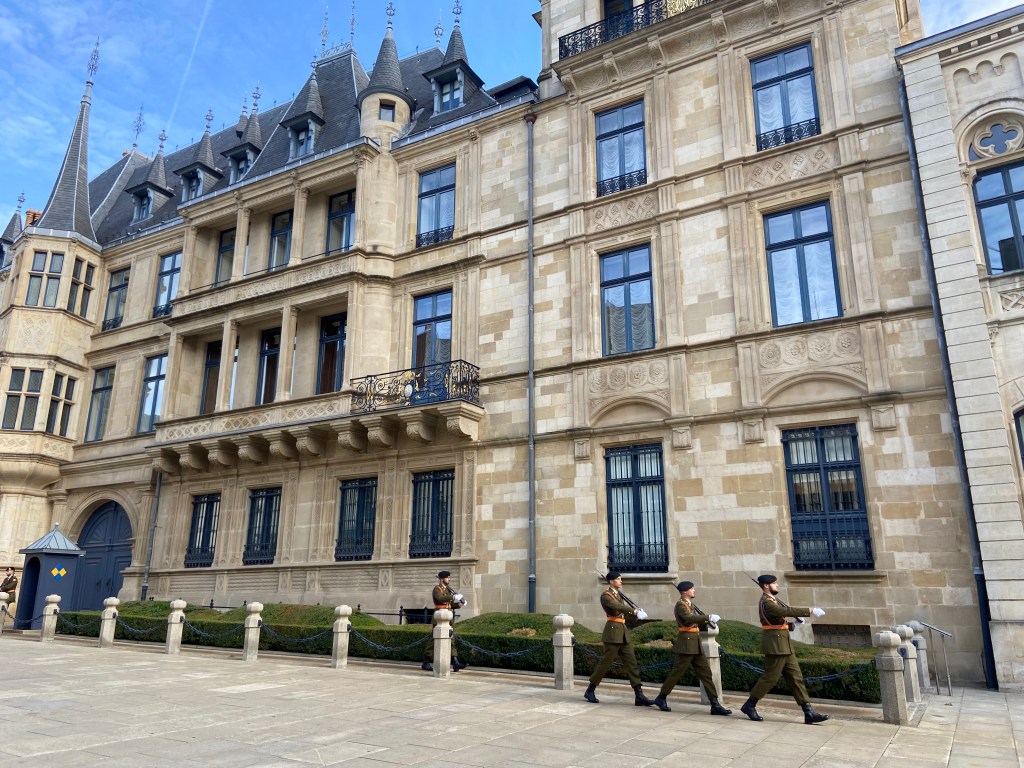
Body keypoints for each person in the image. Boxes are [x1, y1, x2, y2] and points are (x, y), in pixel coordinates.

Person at [740, 574, 829, 725]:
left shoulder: (772, 601)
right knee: (770, 678)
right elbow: (783, 612)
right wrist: (810, 610)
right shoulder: (766, 602)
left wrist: (794, 625)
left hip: (784, 644)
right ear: (766, 586)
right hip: (775, 645)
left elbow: (779, 623)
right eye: (774, 583)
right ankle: (749, 705)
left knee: (796, 678)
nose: (777, 585)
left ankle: (809, 712)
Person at [653, 581, 731, 716]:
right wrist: (708, 617)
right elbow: (689, 618)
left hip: (695, 642)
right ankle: (661, 698)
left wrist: (706, 622)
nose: (694, 590)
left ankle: (715, 704)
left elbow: (695, 619)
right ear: (684, 592)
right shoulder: (680, 605)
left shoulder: (690, 604)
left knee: (706, 673)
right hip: (687, 643)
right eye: (691, 589)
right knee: (677, 673)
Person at [583, 572, 655, 707]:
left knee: (632, 664)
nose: (621, 581)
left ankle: (639, 695)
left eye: (621, 579)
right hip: (612, 632)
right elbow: (617, 607)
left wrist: (637, 615)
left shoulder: (618, 596)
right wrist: (634, 611)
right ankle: (590, 689)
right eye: (618, 579)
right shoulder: (606, 596)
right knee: (605, 663)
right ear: (610, 581)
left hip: (622, 633)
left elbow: (623, 614)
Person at [422, 570, 467, 672]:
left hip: (447, 617)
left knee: (451, 639)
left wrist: (459, 604)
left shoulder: (447, 590)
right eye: (448, 577)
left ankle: (455, 662)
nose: (449, 579)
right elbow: (440, 598)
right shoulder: (437, 589)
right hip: (439, 617)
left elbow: (449, 604)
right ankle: (426, 662)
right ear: (442, 579)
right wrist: (453, 596)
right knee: (433, 640)